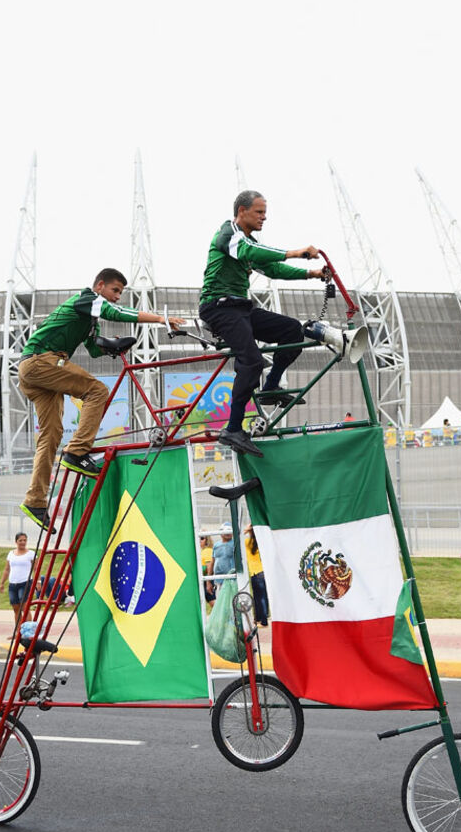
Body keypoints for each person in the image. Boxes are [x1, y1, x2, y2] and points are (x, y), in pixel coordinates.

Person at [18, 268, 185, 532]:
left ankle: (35, 501)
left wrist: (114, 345)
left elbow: (94, 350)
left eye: (120, 293)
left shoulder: (88, 318)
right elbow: (115, 313)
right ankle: (76, 452)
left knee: (50, 435)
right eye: (115, 290)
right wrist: (160, 319)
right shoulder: (86, 299)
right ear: (99, 285)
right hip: (42, 361)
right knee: (97, 391)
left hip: (33, 370)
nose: (117, 297)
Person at [198, 190, 325, 457]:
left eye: (265, 212)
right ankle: (233, 428)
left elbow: (272, 268)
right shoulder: (228, 235)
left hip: (241, 308)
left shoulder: (246, 241)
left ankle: (270, 388)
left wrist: (311, 274)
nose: (264, 217)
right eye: (259, 212)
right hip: (218, 307)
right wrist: (295, 252)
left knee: (291, 329)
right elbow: (249, 250)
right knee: (252, 361)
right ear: (241, 211)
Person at [0, 532, 36, 628]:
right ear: (16, 542)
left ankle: (28, 631)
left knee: (25, 608)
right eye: (20, 540)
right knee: (16, 609)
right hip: (13, 584)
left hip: (25, 583)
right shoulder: (11, 554)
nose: (23, 542)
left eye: (25, 540)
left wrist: (38, 582)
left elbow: (36, 569)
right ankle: (18, 631)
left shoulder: (31, 554)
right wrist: (2, 583)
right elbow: (7, 569)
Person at [244, 524, 269, 626]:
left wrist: (247, 529)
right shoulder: (261, 541)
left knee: (258, 597)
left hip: (254, 572)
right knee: (263, 596)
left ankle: (262, 620)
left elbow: (239, 535)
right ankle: (263, 618)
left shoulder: (247, 542)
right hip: (263, 571)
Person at [207, 522, 235, 595]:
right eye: (226, 531)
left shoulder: (235, 544)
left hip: (232, 580)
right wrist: (208, 581)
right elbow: (212, 562)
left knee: (232, 604)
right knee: (220, 604)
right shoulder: (216, 545)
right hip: (218, 580)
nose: (228, 534)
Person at [199, 532, 214, 607]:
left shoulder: (207, 551)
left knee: (213, 602)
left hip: (208, 579)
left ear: (207, 540)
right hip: (206, 579)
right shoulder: (203, 551)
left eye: (202, 538)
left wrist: (208, 582)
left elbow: (209, 567)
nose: (199, 540)